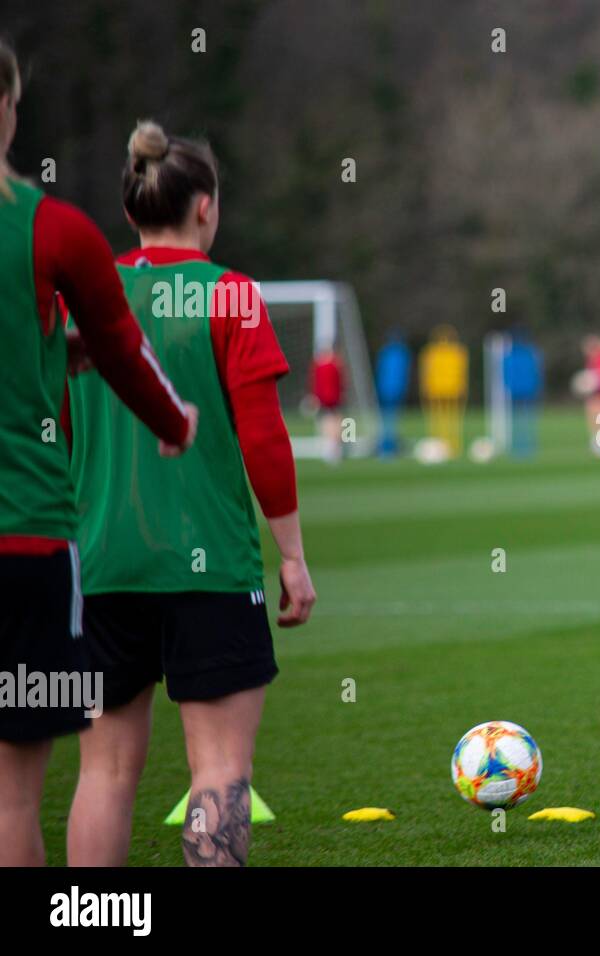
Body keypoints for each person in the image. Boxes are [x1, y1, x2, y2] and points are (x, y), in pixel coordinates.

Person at [65, 120, 315, 867]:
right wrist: (293, 556)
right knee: (220, 770)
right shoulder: (231, 295)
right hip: (207, 567)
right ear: (204, 206)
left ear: (132, 206)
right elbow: (264, 440)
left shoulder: (87, 295)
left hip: (102, 563)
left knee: (103, 775)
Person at [0, 43, 198, 867]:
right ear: (7, 105)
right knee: (13, 788)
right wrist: (175, 418)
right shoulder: (53, 228)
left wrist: (55, 356)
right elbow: (125, 349)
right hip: (25, 540)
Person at [310, 344, 346, 464]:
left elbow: (316, 384)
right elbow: (341, 382)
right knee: (333, 421)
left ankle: (332, 447)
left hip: (327, 398)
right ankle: (334, 447)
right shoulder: (334, 365)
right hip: (332, 398)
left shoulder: (320, 366)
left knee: (330, 421)